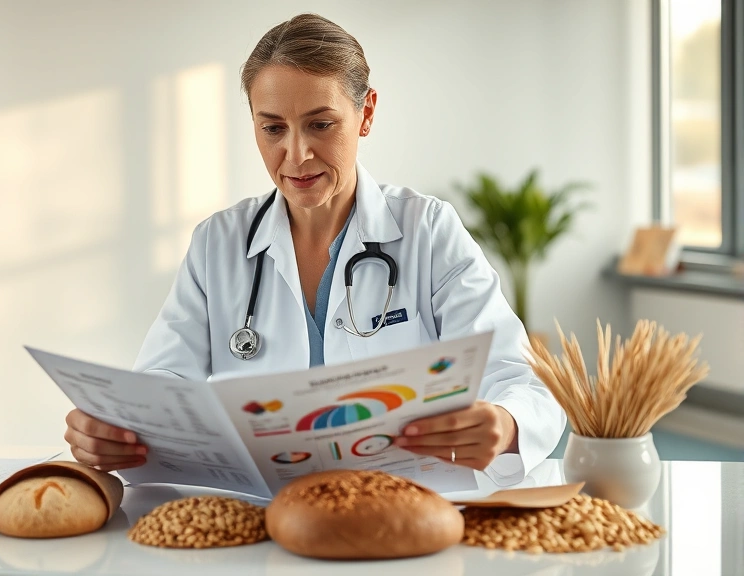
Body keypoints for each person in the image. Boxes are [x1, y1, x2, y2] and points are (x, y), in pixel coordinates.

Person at [65, 13, 565, 485]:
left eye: (321, 124)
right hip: (266, 523)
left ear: (365, 113)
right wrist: (117, 430)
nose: (297, 154)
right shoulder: (218, 244)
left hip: (405, 516)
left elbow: (518, 375)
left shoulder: (427, 230)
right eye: (273, 128)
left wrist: (505, 422)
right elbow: (163, 384)